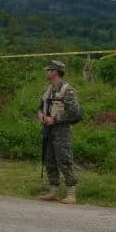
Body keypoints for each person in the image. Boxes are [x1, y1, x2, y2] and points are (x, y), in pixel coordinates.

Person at [37, 59, 81, 204]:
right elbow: (40, 106)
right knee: (49, 159)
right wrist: (41, 116)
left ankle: (71, 194)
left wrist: (55, 120)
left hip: (61, 130)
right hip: (47, 130)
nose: (46, 72)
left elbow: (74, 113)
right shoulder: (47, 90)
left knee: (64, 159)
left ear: (55, 71)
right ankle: (53, 191)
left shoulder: (67, 90)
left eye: (48, 70)